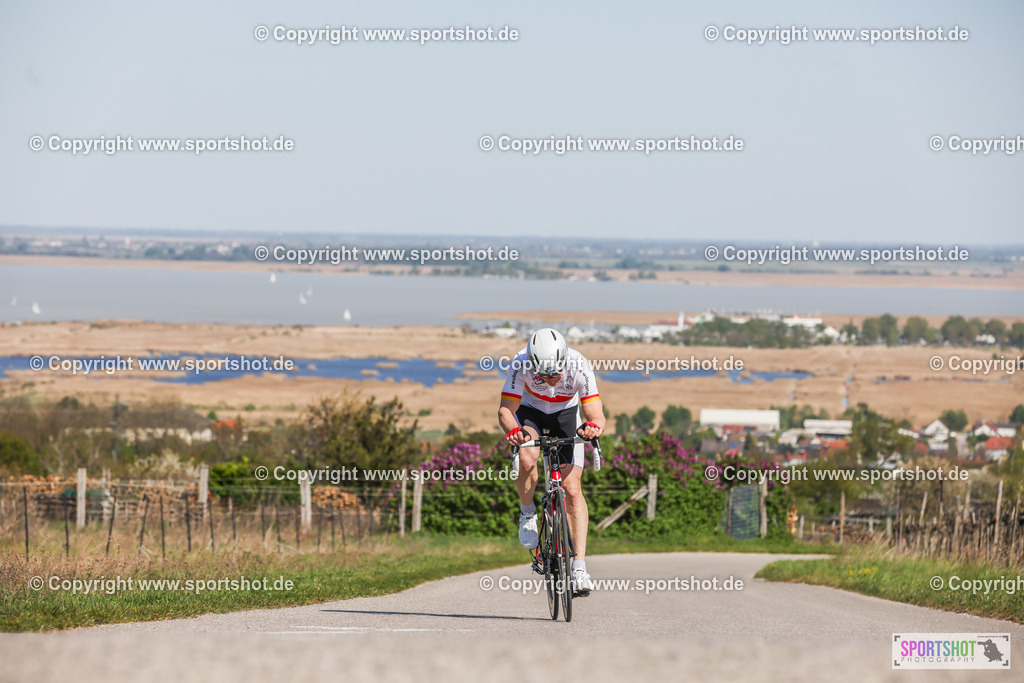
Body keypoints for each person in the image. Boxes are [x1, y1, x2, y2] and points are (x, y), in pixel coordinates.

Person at [497, 327, 605, 595]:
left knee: (571, 489)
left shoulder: (579, 365)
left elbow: (596, 414)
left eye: (556, 373)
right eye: (545, 375)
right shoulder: (520, 362)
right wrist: (513, 431)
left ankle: (579, 566)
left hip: (566, 414)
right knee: (527, 457)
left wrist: (592, 428)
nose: (552, 380)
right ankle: (527, 513)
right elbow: (505, 410)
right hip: (530, 411)